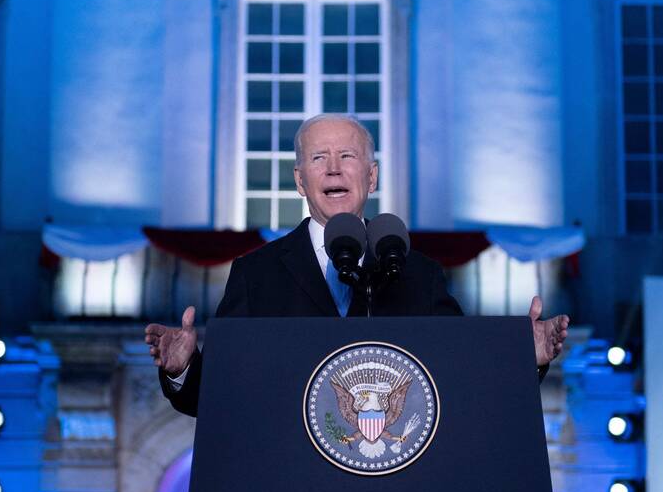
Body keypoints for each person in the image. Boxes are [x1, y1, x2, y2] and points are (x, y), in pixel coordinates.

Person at [146, 114, 570, 417]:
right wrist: (185, 367)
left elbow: (463, 381)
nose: (333, 168)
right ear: (299, 181)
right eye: (318, 158)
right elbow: (219, 396)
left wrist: (525, 358)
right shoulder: (257, 274)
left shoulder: (418, 273)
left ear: (371, 177)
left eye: (347, 156)